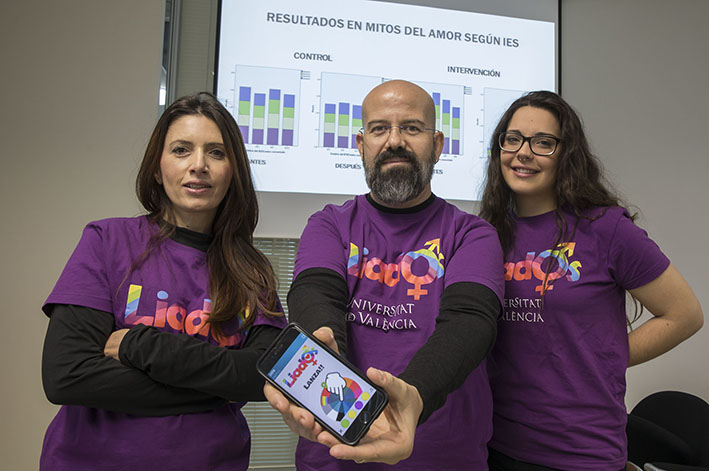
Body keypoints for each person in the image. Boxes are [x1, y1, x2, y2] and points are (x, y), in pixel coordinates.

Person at [264, 80, 505, 470]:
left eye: (411, 128)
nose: (394, 141)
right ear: (361, 146)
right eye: (379, 129)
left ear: (438, 145)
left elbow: (468, 324)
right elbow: (315, 298)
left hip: (444, 459)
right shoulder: (329, 224)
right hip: (335, 457)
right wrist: (323, 367)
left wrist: (411, 401)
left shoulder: (473, 234)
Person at [40, 92, 287, 471]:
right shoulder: (107, 242)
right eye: (181, 150)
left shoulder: (251, 271)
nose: (198, 165)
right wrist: (219, 388)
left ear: (233, 171)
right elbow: (68, 376)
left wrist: (146, 347)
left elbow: (265, 375)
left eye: (216, 153)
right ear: (157, 168)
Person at [479, 90, 703, 471]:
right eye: (512, 139)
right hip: (496, 442)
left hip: (580, 450)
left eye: (543, 143)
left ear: (566, 154)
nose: (523, 152)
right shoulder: (486, 234)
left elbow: (684, 314)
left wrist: (607, 356)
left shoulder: (606, 229)